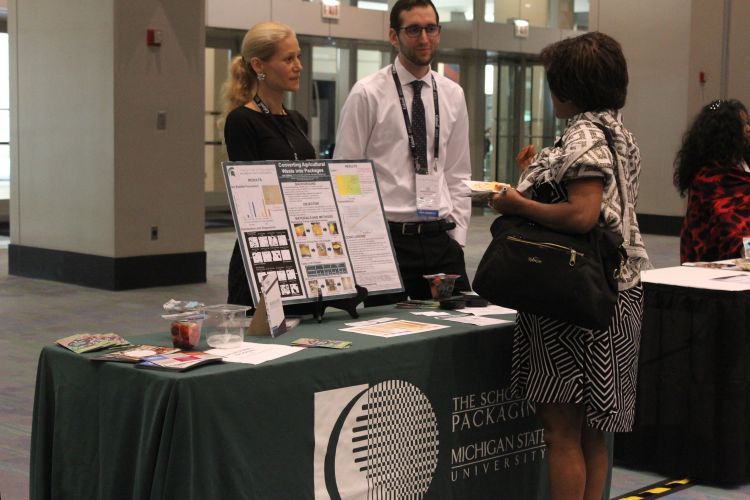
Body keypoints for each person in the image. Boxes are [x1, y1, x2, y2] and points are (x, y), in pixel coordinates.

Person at [487, 32, 651, 500]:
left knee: (561, 431)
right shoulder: (620, 132)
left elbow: (581, 214)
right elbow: (604, 204)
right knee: (593, 433)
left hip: (571, 298)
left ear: (568, 87)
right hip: (619, 289)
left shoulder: (581, 133)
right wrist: (541, 169)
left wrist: (518, 203)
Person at [333, 0, 471, 305]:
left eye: (431, 28)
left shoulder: (452, 94)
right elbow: (344, 176)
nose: (424, 38)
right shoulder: (367, 93)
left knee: (457, 336)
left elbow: (458, 173)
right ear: (394, 36)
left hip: (440, 240)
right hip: (387, 241)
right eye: (413, 30)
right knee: (385, 337)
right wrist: (362, 241)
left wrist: (457, 240)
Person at [221, 21, 316, 308]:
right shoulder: (242, 121)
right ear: (259, 65)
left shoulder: (296, 119)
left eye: (298, 56)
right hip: (263, 251)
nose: (298, 66)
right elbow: (251, 198)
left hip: (302, 245)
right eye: (288, 59)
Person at [673, 99, 750, 263]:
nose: (748, 129)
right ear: (727, 134)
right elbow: (729, 225)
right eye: (743, 125)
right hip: (712, 263)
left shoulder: (743, 164)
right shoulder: (708, 178)